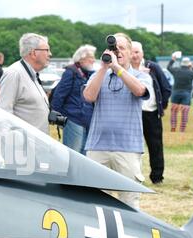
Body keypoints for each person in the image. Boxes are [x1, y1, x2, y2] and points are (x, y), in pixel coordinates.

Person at [83, 33, 152, 210]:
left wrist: (117, 69)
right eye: (115, 48)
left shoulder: (141, 76)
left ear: (130, 52)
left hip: (128, 147)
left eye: (122, 48)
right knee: (94, 201)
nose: (118, 51)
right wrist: (104, 68)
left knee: (129, 202)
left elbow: (139, 91)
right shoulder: (100, 74)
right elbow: (89, 96)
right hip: (98, 146)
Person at [131, 41, 172, 185]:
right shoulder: (125, 69)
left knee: (155, 146)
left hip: (151, 112)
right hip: (132, 113)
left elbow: (166, 87)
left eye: (137, 52)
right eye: (132, 52)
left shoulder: (152, 67)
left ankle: (157, 177)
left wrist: (162, 106)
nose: (134, 55)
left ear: (142, 53)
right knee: (133, 146)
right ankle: (133, 176)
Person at [0, 33, 52, 134]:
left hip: (36, 145)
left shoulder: (32, 74)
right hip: (21, 146)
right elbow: (2, 112)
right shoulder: (14, 74)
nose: (50, 54)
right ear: (34, 53)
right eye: (47, 50)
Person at [50, 44, 96, 154]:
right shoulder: (71, 72)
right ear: (81, 59)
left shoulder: (89, 75)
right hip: (73, 119)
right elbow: (59, 95)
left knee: (85, 155)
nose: (93, 60)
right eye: (91, 58)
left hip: (86, 120)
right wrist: (57, 116)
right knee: (73, 154)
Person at [168, 55, 193, 132]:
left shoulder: (176, 70)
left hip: (176, 92)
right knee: (184, 113)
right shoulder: (191, 72)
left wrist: (172, 60)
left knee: (174, 111)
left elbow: (169, 67)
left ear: (181, 63)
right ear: (188, 64)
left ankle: (173, 127)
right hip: (186, 93)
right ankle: (182, 129)